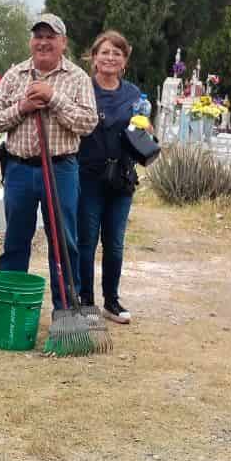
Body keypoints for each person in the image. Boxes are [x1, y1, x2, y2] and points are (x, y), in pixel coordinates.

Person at [0, 14, 98, 308]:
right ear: (31, 41)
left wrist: (53, 98)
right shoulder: (15, 76)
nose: (44, 42)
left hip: (60, 169)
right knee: (15, 241)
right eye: (39, 36)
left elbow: (87, 124)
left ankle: (66, 309)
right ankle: (10, 307)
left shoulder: (77, 78)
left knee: (64, 242)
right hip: (19, 170)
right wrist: (22, 107)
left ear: (63, 42)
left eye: (51, 37)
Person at [75, 30, 141, 323]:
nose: (110, 58)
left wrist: (146, 130)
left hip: (121, 178)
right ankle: (85, 300)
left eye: (117, 53)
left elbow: (141, 130)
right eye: (105, 52)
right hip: (88, 175)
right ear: (94, 57)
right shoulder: (83, 89)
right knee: (86, 241)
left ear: (124, 60)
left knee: (114, 242)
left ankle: (111, 301)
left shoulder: (134, 94)